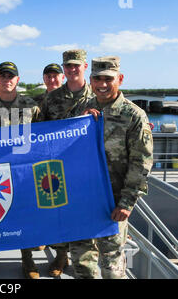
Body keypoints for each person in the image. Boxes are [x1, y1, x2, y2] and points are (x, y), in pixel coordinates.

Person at [69, 56, 153, 279]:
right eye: (97, 78)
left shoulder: (133, 116)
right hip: (83, 200)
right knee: (81, 262)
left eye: (108, 78)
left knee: (112, 265)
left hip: (114, 202)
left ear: (120, 79)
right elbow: (65, 146)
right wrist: (78, 122)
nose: (102, 84)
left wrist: (127, 202)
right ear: (91, 79)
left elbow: (141, 163)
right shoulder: (81, 108)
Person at [0, 62, 42, 279]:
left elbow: (44, 139)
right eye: (2, 76)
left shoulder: (31, 107)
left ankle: (27, 260)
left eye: (11, 76)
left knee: (24, 215)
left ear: (17, 79)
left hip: (22, 173)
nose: (7, 79)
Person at [41, 50, 94, 277]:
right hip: (58, 168)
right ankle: (61, 256)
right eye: (68, 66)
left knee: (86, 213)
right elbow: (40, 132)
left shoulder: (97, 95)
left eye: (76, 65)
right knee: (59, 212)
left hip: (88, 167)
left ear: (85, 67)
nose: (72, 70)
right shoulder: (51, 99)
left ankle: (85, 262)